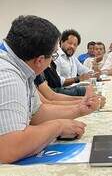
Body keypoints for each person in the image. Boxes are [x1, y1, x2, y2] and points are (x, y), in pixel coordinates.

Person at [0, 15, 101, 163]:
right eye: (53, 55)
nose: (52, 62)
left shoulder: (22, 66)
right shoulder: (7, 74)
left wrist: (80, 109)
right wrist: (58, 126)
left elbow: (36, 113)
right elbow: (9, 148)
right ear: (40, 60)